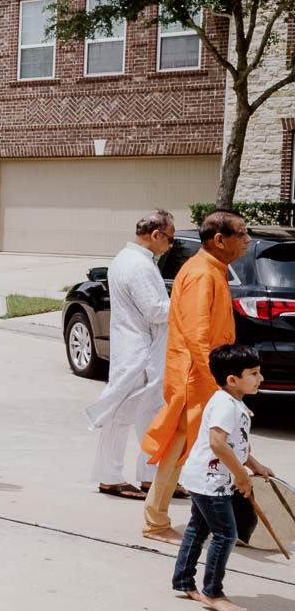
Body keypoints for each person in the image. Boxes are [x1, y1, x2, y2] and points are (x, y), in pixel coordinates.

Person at [140, 209, 247, 543]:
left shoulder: (213, 269)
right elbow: (197, 334)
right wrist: (218, 383)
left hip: (201, 375)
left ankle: (210, 520)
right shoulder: (202, 273)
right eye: (241, 234)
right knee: (180, 446)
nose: (247, 240)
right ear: (219, 240)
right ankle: (155, 520)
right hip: (196, 377)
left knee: (195, 447)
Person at [172, 344, 277, 611]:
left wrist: (255, 465)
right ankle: (213, 592)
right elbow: (218, 443)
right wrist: (242, 477)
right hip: (212, 482)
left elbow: (237, 444)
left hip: (204, 478)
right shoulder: (226, 406)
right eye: (253, 373)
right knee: (226, 534)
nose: (260, 378)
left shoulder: (232, 402)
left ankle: (184, 581)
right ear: (233, 380)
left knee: (198, 528)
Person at [82, 211, 175, 499]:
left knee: (147, 414)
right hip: (140, 351)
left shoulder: (128, 259)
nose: (170, 245)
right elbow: (156, 311)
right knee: (123, 415)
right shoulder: (139, 266)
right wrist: (188, 302)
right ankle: (111, 477)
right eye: (169, 239)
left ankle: (148, 475)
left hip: (136, 347)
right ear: (156, 234)